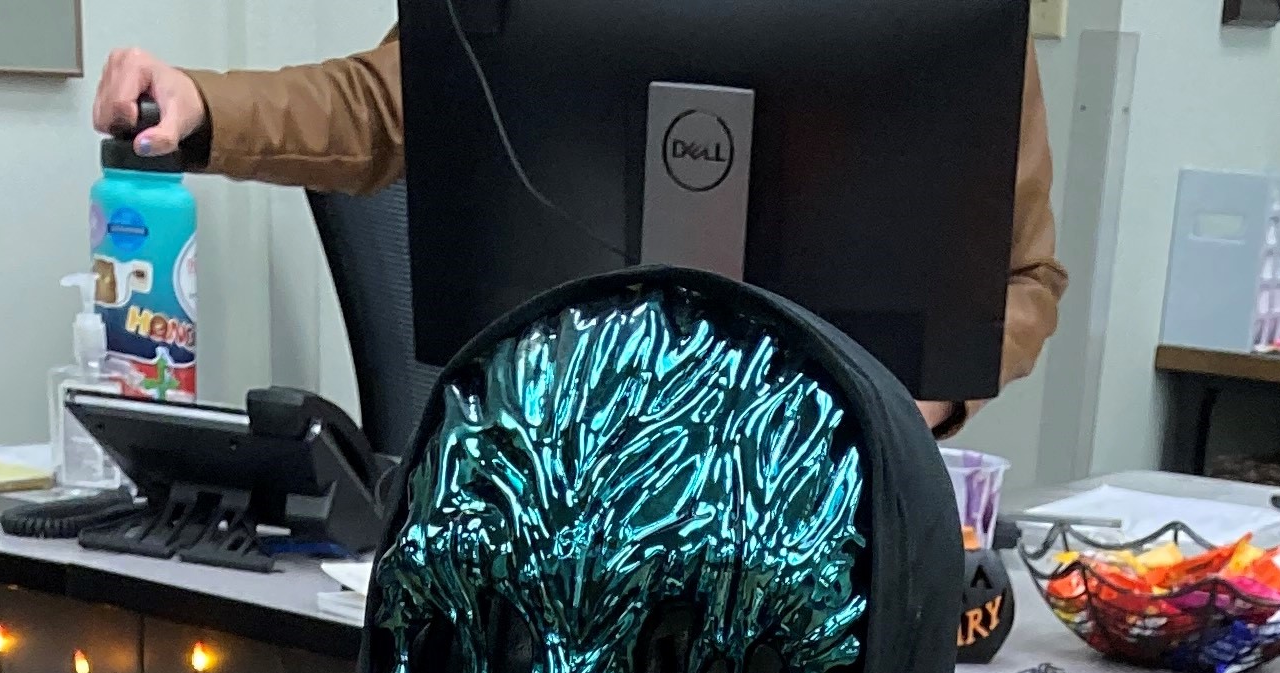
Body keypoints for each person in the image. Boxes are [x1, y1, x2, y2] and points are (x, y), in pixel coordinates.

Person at [89, 25, 1064, 427]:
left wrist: (906, 400)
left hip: (821, 498)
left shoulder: (951, 31)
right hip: (565, 469)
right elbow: (402, 101)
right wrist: (205, 106)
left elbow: (1020, 283)